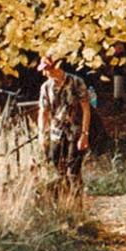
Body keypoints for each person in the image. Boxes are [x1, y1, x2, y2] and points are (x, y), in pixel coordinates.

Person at [37, 50, 92, 199]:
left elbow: (86, 108)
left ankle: (77, 203)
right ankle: (65, 203)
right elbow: (44, 112)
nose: (45, 73)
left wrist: (84, 135)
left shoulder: (76, 82)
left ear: (57, 66)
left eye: (47, 69)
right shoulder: (46, 87)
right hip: (56, 133)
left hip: (75, 131)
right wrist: (42, 135)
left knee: (73, 170)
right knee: (58, 169)